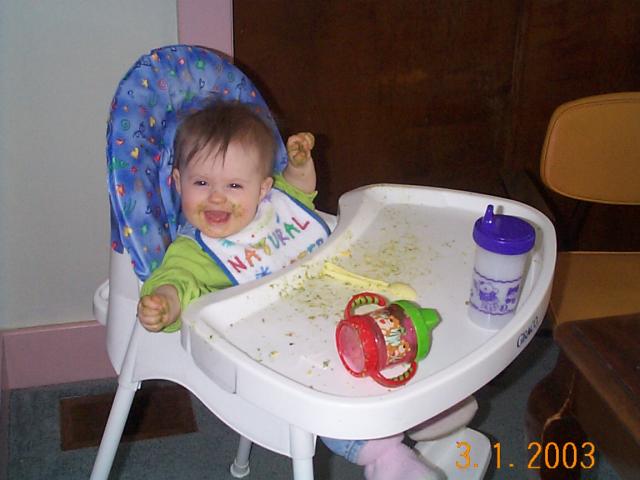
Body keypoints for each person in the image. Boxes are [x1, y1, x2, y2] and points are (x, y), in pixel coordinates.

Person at [137, 102, 473, 479]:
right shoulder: (195, 251)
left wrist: (298, 165)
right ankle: (387, 457)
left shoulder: (274, 206)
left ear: (263, 188)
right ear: (178, 180)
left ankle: (425, 411)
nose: (216, 197)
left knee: (389, 328)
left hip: (326, 305)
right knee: (334, 388)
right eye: (201, 183)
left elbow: (298, 190)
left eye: (234, 185)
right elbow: (176, 280)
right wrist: (165, 302)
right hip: (281, 348)